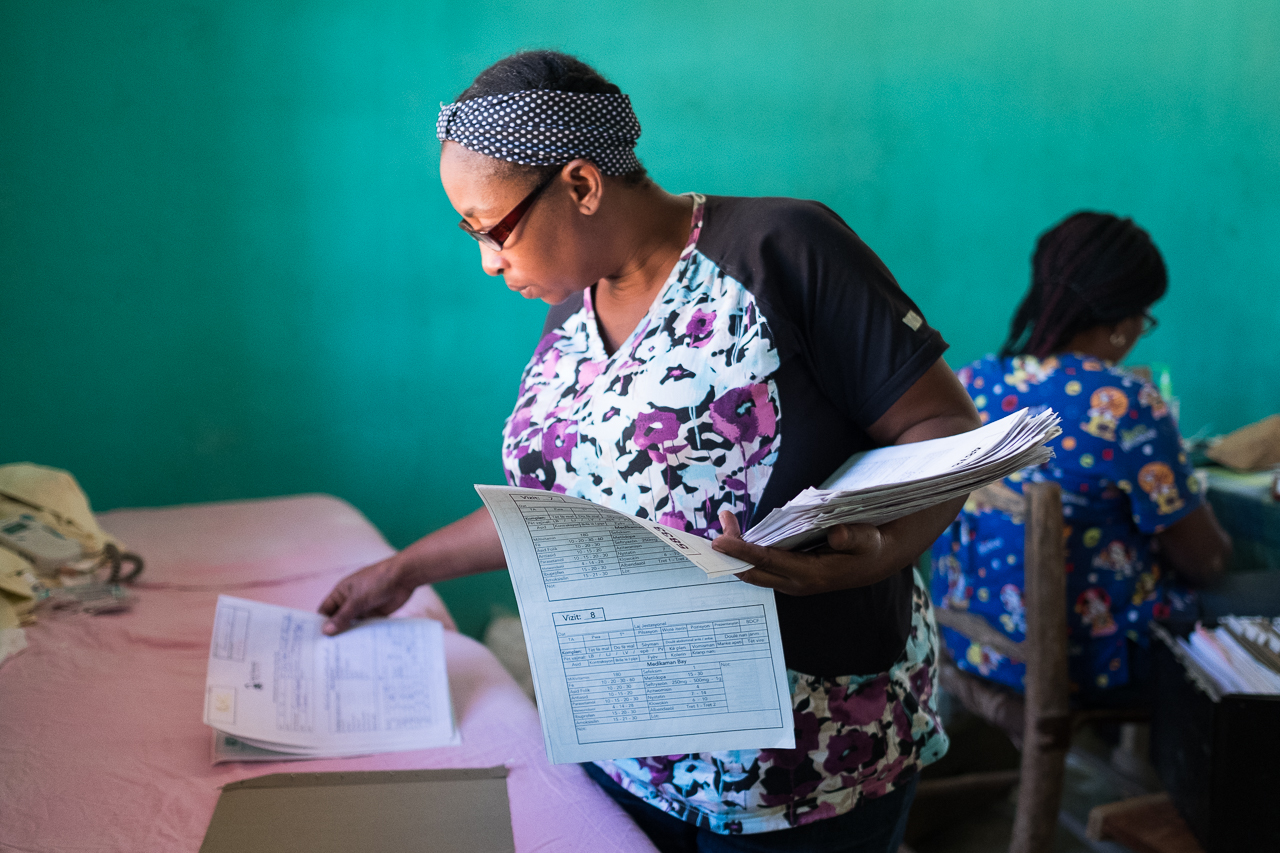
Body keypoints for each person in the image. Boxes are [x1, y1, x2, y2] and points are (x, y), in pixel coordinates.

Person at [320, 50, 981, 852]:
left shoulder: (781, 252)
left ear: (582, 185)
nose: (489, 260)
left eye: (491, 228)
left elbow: (943, 430)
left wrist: (873, 556)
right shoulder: (572, 319)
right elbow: (563, 513)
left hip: (805, 755)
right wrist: (403, 568)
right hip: (633, 745)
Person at [930, 211, 1232, 705]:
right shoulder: (1126, 403)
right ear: (1123, 322)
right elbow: (1205, 560)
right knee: (1248, 594)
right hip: (1086, 660)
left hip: (972, 644)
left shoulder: (968, 384)